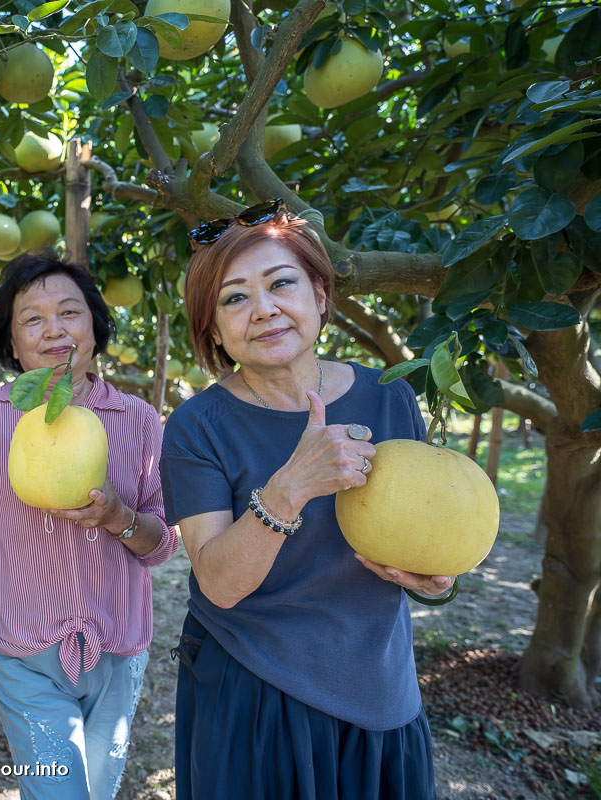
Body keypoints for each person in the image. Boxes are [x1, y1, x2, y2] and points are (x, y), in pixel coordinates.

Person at [161, 199, 457, 799]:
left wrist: (437, 579)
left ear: (320, 295)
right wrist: (290, 486)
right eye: (234, 298)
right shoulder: (197, 427)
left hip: (380, 685)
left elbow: (426, 528)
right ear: (213, 328)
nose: (264, 309)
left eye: (281, 284)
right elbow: (218, 581)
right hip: (255, 689)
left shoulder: (390, 396)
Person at [0, 254, 178, 800]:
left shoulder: (137, 421)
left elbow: (160, 546)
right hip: (23, 648)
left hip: (119, 644)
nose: (54, 330)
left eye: (69, 313)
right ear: (12, 344)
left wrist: (117, 517)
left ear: (95, 326)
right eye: (32, 319)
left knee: (98, 792)